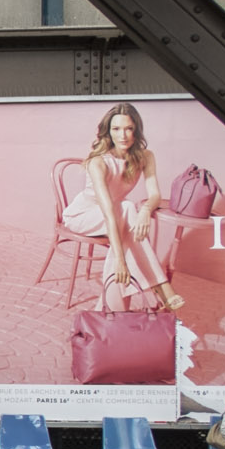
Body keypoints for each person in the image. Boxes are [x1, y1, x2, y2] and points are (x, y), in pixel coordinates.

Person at [60, 102, 185, 311]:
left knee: (127, 211)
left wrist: (146, 210)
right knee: (126, 209)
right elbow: (109, 213)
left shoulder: (145, 156)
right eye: (116, 129)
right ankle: (162, 288)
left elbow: (155, 194)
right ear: (108, 132)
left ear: (136, 130)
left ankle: (109, 310)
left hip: (117, 215)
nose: (123, 135)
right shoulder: (98, 162)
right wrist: (120, 261)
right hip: (83, 216)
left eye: (128, 128)